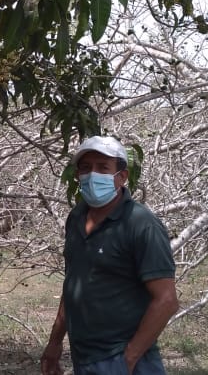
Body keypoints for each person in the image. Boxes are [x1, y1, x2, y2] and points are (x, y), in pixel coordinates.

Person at [41, 136, 179, 375]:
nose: (92, 175)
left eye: (103, 168)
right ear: (77, 175)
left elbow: (166, 300)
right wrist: (55, 342)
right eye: (86, 168)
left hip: (122, 356)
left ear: (122, 177)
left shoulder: (141, 224)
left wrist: (128, 360)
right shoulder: (76, 218)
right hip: (84, 356)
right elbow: (73, 284)